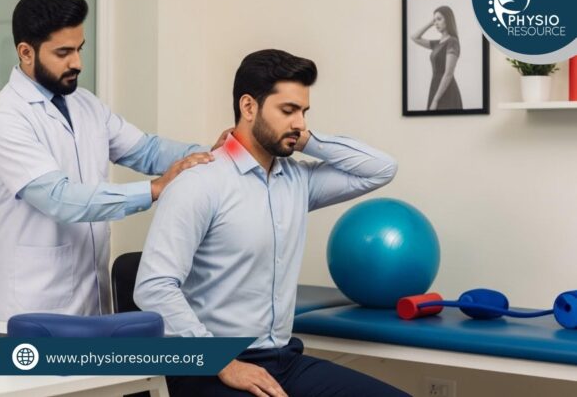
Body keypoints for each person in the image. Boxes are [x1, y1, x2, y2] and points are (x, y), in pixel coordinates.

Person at [134, 49, 407, 396]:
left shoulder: (297, 180)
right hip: (208, 369)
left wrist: (299, 136)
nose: (300, 122)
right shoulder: (199, 183)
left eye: (303, 111)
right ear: (249, 107)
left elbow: (381, 168)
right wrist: (223, 364)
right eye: (288, 110)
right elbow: (153, 286)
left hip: (283, 361)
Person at [0, 0, 228, 321]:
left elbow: (146, 150)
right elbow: (58, 198)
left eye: (80, 49)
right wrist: (153, 190)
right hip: (33, 304)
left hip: (92, 298)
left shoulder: (85, 104)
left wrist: (209, 152)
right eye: (64, 52)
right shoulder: (5, 117)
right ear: (26, 52)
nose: (77, 63)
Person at [411, 5, 463, 111]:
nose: (436, 23)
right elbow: (414, 37)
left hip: (446, 90)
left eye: (439, 19)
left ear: (448, 20)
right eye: (435, 20)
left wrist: (435, 100)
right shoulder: (437, 43)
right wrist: (430, 23)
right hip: (435, 87)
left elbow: (448, 73)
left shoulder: (452, 42)